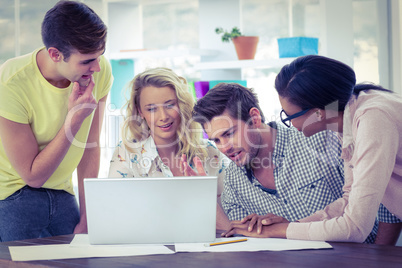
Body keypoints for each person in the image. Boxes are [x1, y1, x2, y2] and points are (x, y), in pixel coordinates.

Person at [221, 55, 402, 244]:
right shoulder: (347, 117)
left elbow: (355, 228)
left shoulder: (373, 119)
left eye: (289, 116)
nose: (289, 123)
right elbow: (349, 199)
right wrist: (293, 224)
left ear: (317, 113)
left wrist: (282, 230)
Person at [192, 82, 382, 243]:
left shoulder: (321, 138)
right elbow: (239, 237)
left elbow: (383, 201)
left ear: (255, 118)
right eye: (216, 140)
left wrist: (379, 257)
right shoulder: (233, 179)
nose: (224, 147)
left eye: (229, 133)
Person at [0, 1, 113, 242]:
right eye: (86, 61)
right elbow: (33, 176)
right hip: (13, 193)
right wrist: (73, 120)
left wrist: (88, 214)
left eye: (99, 57)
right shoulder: (11, 81)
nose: (96, 67)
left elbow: (91, 147)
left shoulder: (100, 70)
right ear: (55, 54)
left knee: (83, 259)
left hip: (62, 191)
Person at [108, 67, 230, 230]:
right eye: (151, 109)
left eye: (170, 105)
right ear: (140, 112)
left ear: (181, 104)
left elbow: (230, 217)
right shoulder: (126, 152)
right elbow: (115, 216)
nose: (163, 116)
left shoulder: (210, 152)